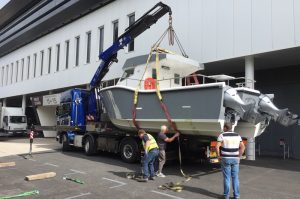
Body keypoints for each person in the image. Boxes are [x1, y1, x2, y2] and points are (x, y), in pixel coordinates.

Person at [216, 123, 245, 199]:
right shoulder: (237, 135)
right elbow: (243, 147)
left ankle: (226, 196)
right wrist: (239, 157)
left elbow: (217, 147)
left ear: (225, 128)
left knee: (227, 178)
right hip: (235, 159)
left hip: (225, 159)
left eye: (223, 127)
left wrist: (218, 156)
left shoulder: (222, 135)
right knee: (235, 177)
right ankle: (237, 195)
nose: (223, 128)